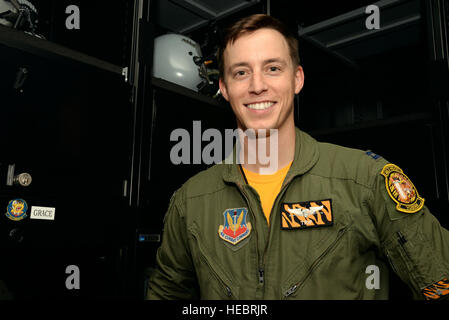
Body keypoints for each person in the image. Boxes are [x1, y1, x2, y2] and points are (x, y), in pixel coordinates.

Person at [147, 14, 449, 300]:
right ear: (224, 88)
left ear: (297, 79)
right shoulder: (190, 201)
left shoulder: (365, 179)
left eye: (273, 68)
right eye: (241, 72)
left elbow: (440, 280)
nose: (257, 86)